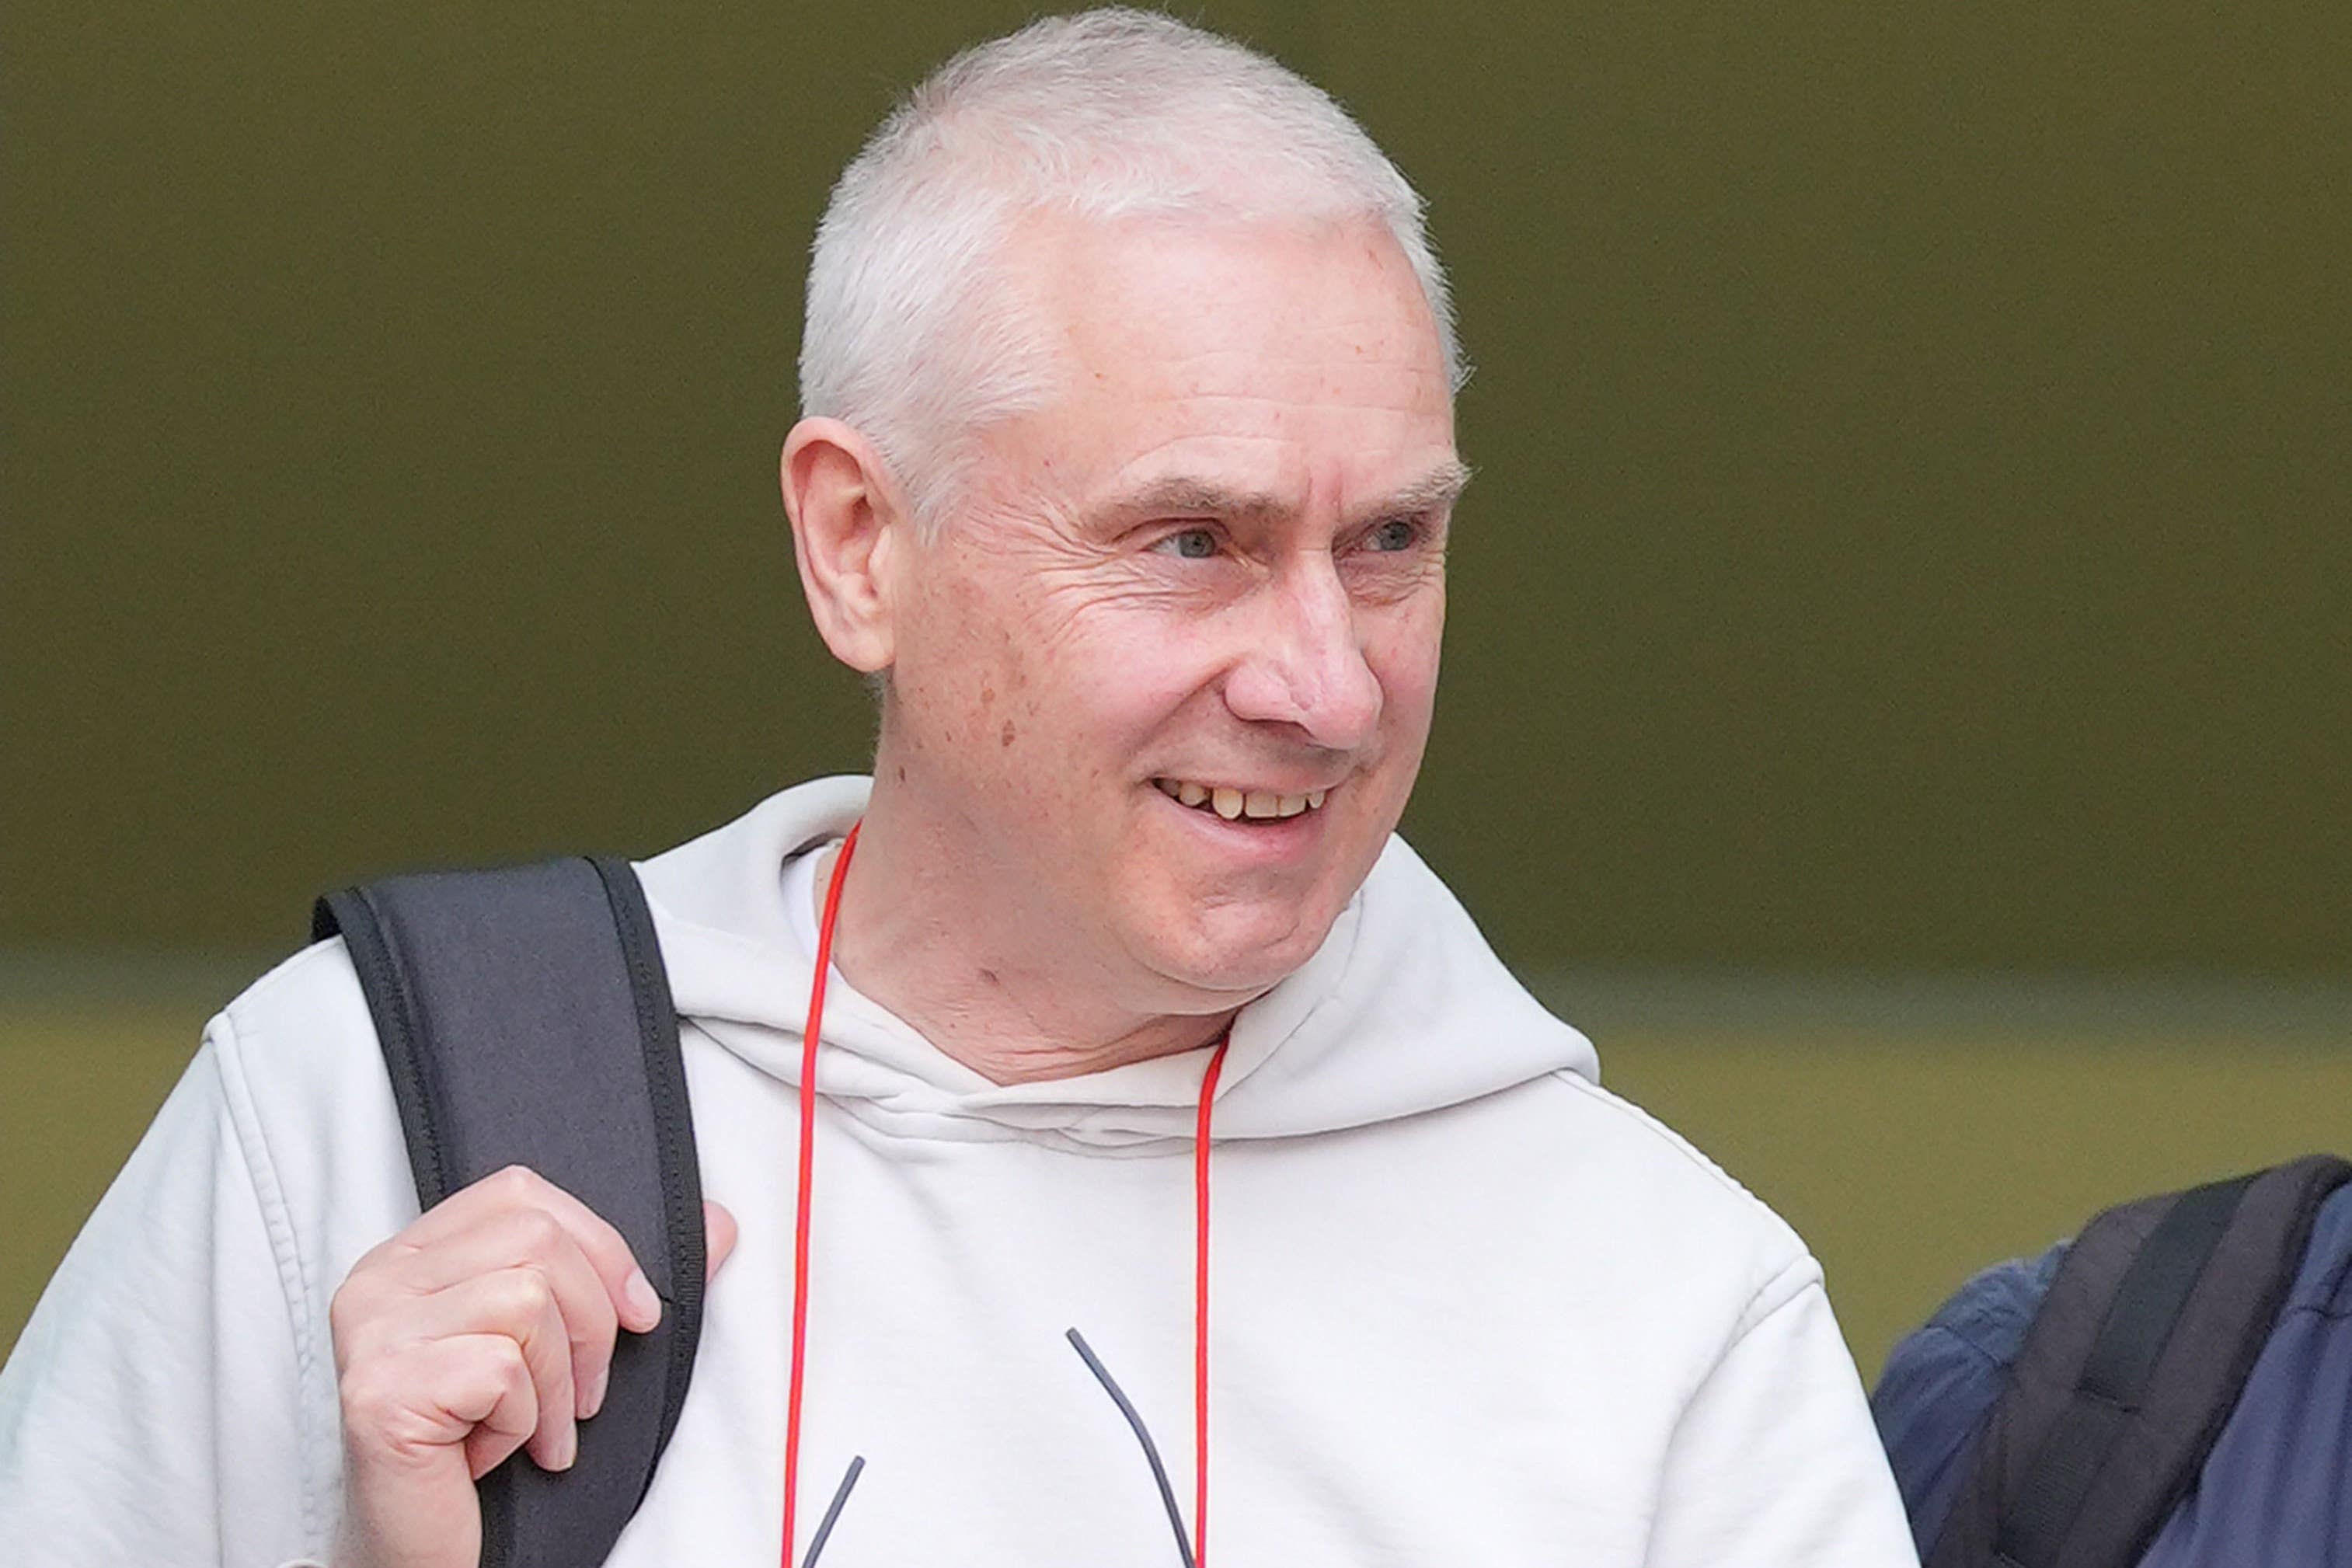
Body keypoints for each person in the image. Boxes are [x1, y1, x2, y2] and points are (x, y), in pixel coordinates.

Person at [0, 11, 1917, 1566]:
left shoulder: (1666, 1315)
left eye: (1393, 540)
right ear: (860, 543)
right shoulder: (371, 1117)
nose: (1324, 683)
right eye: (1189, 540)